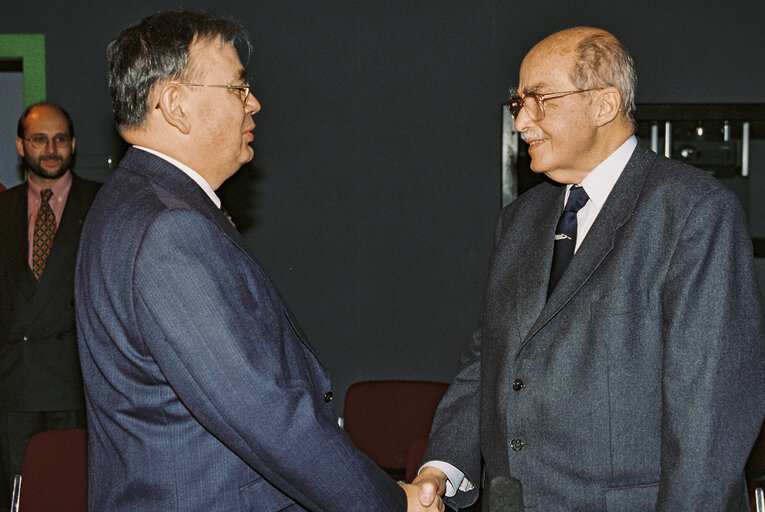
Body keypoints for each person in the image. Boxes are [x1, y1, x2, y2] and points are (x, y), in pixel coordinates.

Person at [75, 10, 442, 512]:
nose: (255, 104)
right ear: (176, 106)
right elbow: (262, 412)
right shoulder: (168, 230)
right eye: (238, 88)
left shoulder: (129, 201)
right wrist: (387, 502)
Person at [413, 27, 765, 510]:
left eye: (540, 100)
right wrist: (444, 466)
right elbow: (492, 359)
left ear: (604, 105)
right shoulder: (520, 220)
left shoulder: (693, 213)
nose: (522, 122)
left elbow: (709, 416)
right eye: (519, 103)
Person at [0, 103, 100, 507]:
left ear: (73, 145)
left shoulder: (102, 203)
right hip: (13, 386)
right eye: (39, 139)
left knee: (74, 495)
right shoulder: (2, 210)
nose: (51, 148)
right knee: (16, 498)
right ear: (20, 146)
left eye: (60, 139)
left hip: (78, 385)